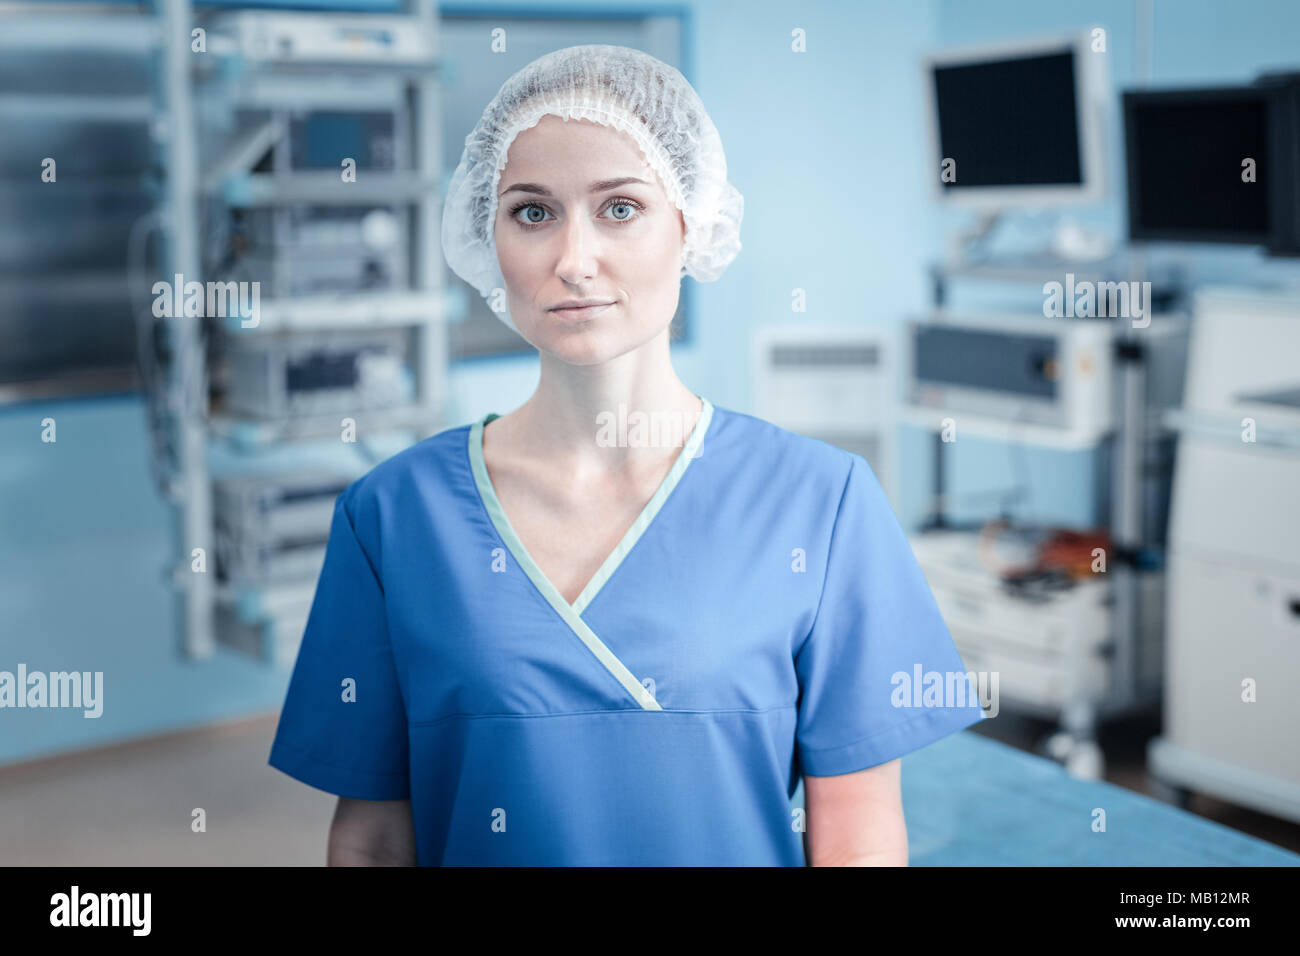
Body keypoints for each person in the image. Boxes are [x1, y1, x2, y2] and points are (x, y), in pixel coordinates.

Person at [268, 44, 983, 866]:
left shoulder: (822, 502)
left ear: (691, 222)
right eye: (532, 212)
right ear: (486, 234)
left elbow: (857, 836)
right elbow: (371, 839)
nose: (573, 260)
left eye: (619, 207)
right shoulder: (394, 516)